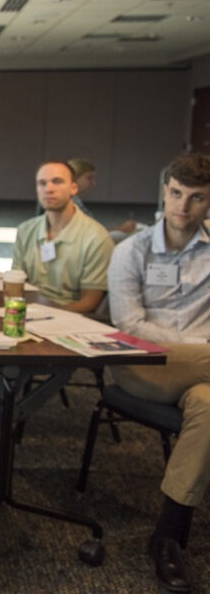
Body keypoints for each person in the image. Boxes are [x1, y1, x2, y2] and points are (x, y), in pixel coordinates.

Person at [107, 153, 210, 594]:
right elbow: (129, 326)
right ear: (164, 192)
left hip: (202, 372)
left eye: (197, 198)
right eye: (175, 194)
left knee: (208, 406)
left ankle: (167, 536)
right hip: (141, 363)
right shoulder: (132, 250)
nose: (183, 207)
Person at [0, 160, 115, 439]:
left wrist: (42, 314)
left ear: (74, 187)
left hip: (68, 317)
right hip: (25, 309)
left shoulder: (95, 237)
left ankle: (0, 414)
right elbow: (16, 282)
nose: (49, 189)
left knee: (17, 354)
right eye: (42, 183)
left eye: (57, 182)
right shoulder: (28, 229)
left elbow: (90, 303)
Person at [66, 158, 139, 242]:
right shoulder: (71, 202)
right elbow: (90, 235)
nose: (93, 183)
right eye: (89, 178)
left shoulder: (75, 200)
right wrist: (120, 229)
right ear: (75, 178)